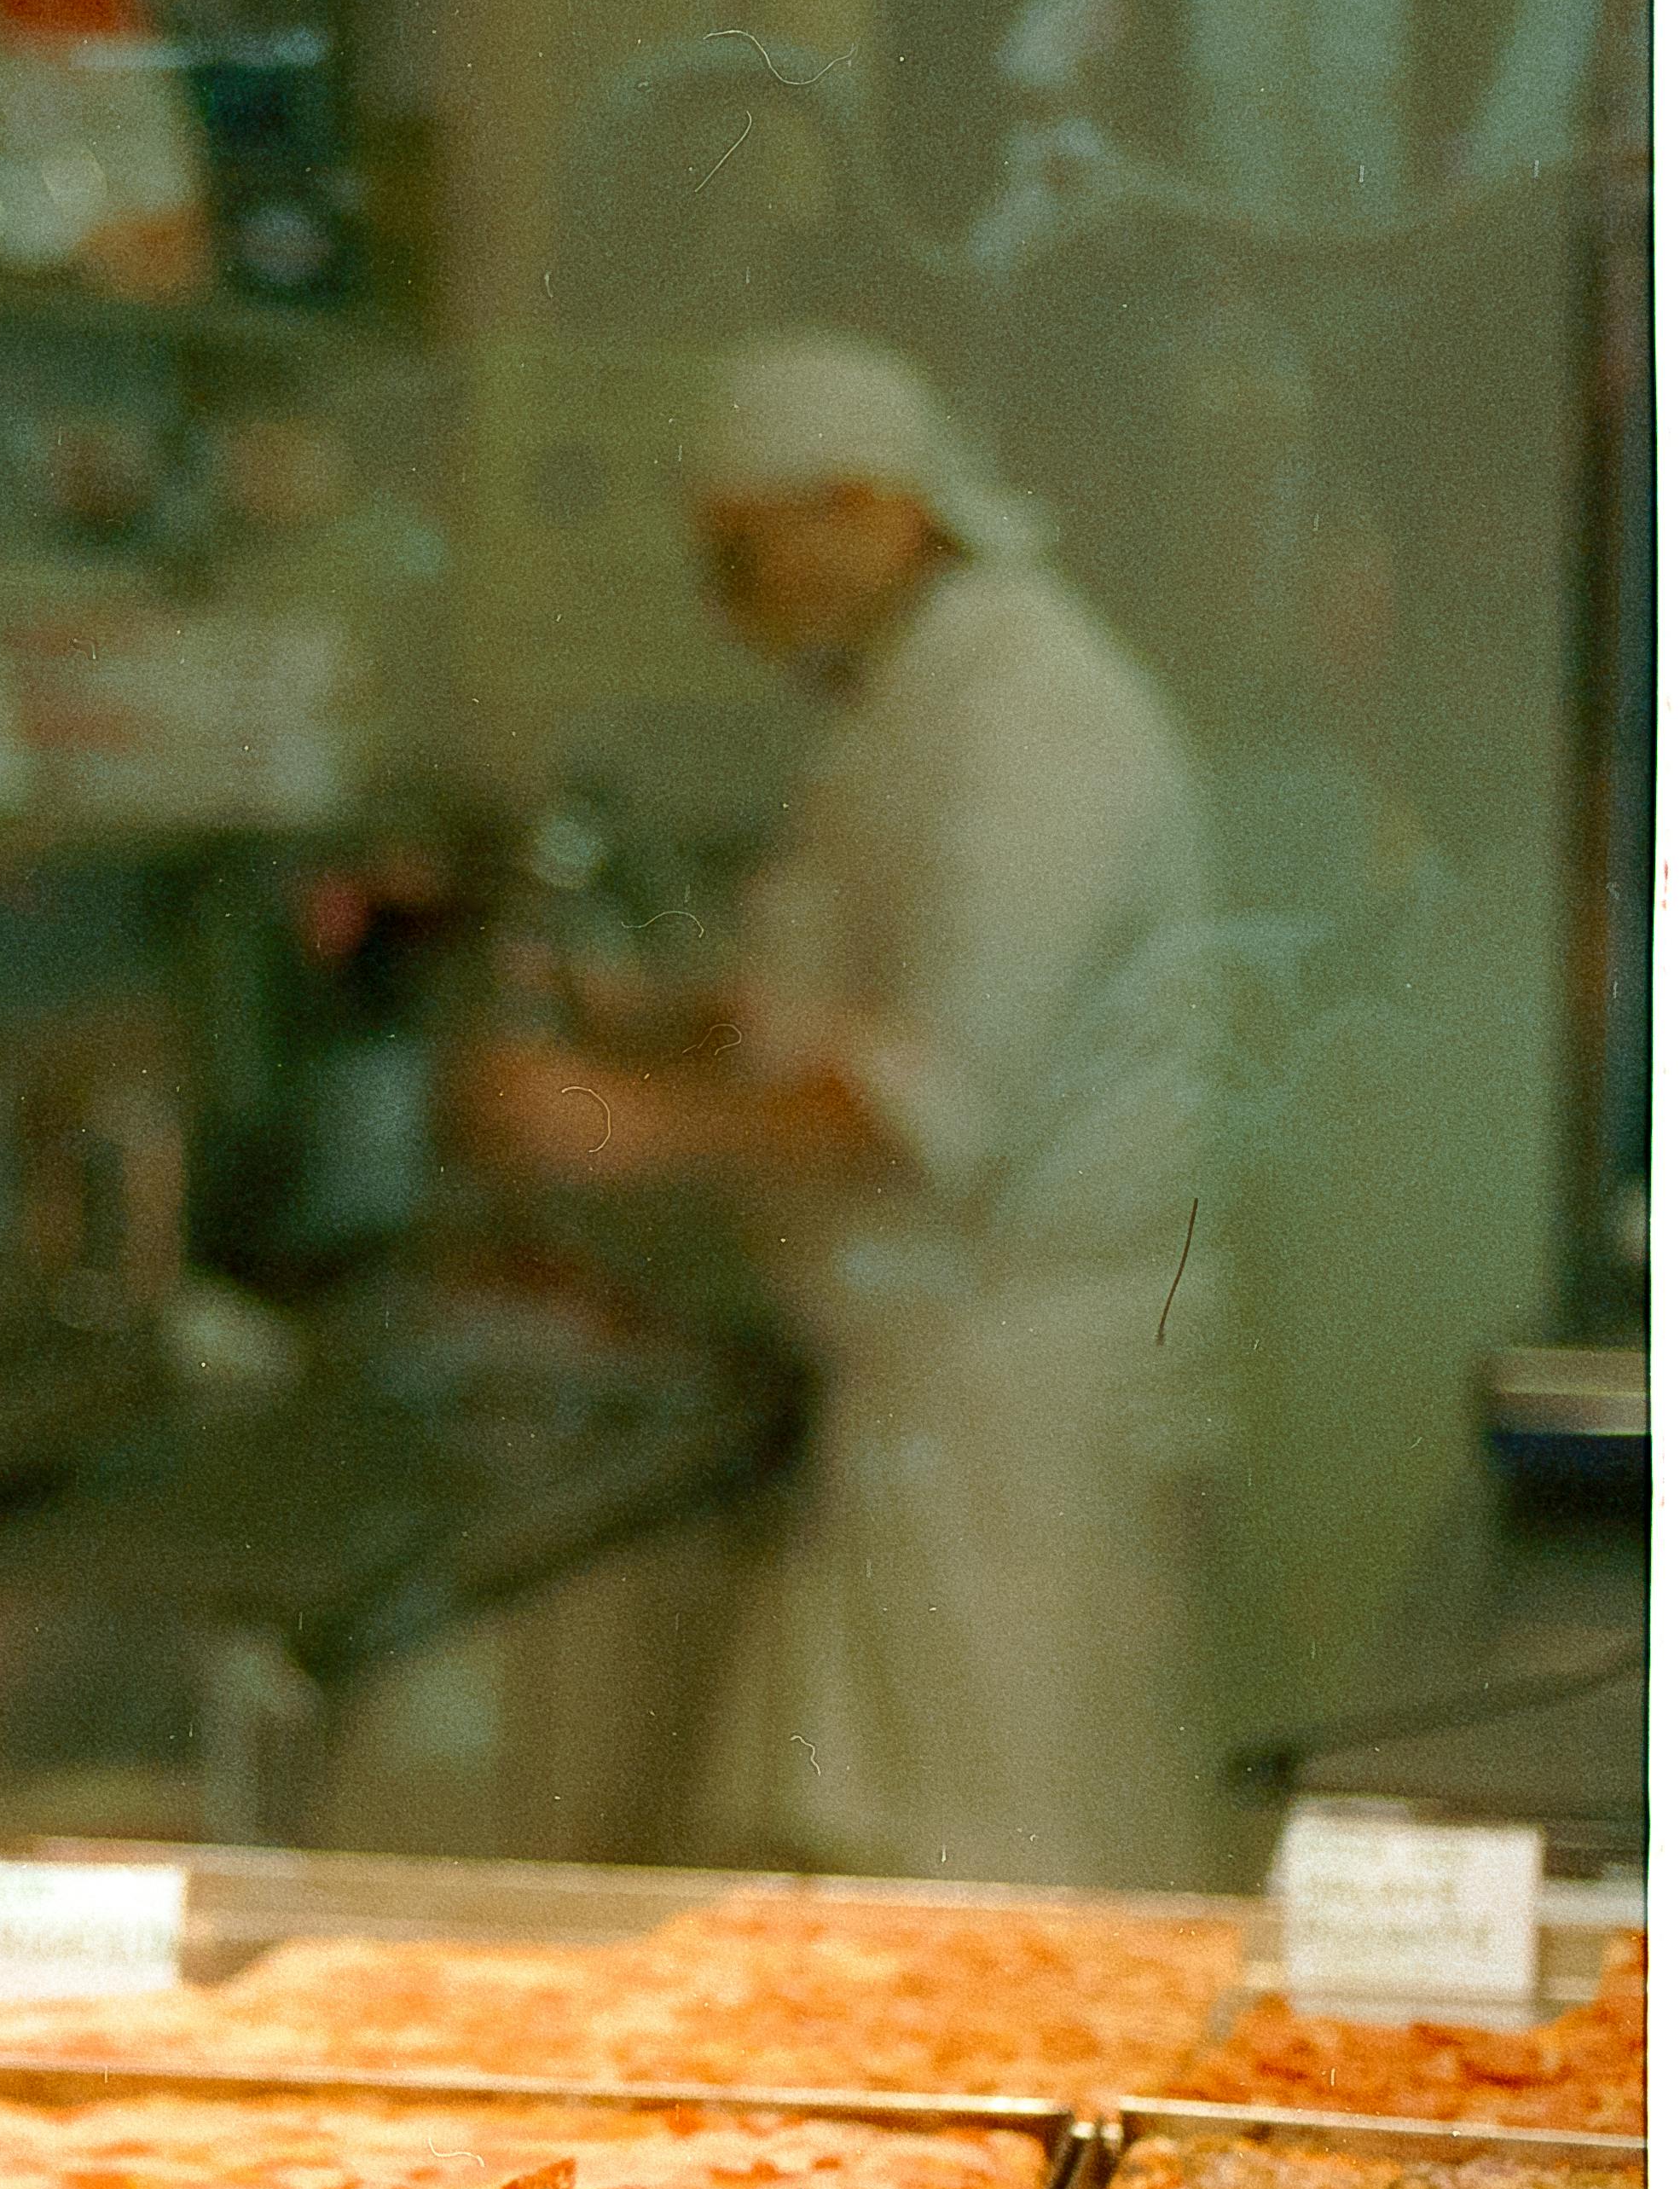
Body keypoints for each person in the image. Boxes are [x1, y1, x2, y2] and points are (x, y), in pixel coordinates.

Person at [460, 331, 1222, 1891]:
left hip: (1021, 1397)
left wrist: (614, 1120)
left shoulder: (1030, 713)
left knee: (1025, 1870)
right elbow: (855, 989)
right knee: (903, 1859)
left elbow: (928, 1098)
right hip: (925, 1380)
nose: (723, 601)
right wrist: (662, 1020)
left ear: (869, 512)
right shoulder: (911, 697)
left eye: (741, 555)